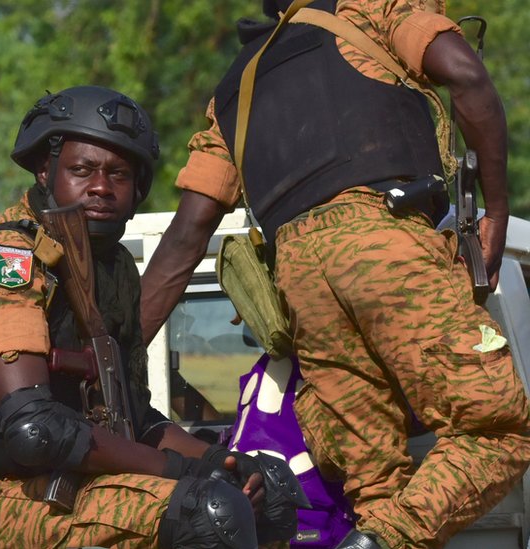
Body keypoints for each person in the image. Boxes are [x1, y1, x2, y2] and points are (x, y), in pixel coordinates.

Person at [139, 1, 530, 547]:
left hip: (301, 281)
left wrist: (115, 353)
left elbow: (186, 235)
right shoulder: (372, 10)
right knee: (498, 430)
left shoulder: (234, 91)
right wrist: (498, 210)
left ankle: (377, 535)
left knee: (376, 488)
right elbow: (465, 74)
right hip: (383, 239)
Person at [0, 85, 307, 549]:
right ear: (45, 172)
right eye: (81, 170)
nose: (101, 187)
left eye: (119, 175)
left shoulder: (113, 271)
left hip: (70, 483)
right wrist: (189, 474)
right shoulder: (7, 258)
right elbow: (35, 430)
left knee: (267, 488)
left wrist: (221, 461)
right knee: (206, 512)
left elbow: (133, 419)